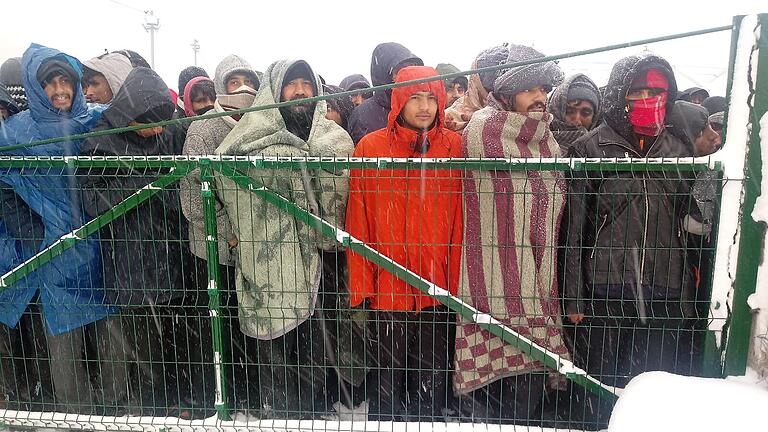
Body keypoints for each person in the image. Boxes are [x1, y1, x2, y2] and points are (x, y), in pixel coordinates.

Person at [216, 59, 353, 417]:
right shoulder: (248, 137)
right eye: (291, 84)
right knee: (275, 347)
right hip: (269, 263)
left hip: (325, 259)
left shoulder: (334, 139)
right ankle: (279, 411)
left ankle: (309, 410)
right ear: (274, 90)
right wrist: (233, 236)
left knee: (316, 345)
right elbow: (220, 182)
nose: (300, 91)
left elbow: (348, 192)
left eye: (306, 84)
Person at [564, 53, 697, 421]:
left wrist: (686, 295)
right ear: (619, 94)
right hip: (607, 290)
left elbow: (688, 224)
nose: (647, 100)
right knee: (599, 389)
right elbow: (574, 231)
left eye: (657, 91)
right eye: (636, 91)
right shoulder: (591, 148)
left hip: (664, 291)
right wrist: (573, 297)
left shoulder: (680, 149)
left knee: (652, 392)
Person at [453, 44, 569, 423]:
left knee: (528, 391)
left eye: (543, 88)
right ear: (506, 94)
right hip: (494, 275)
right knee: (508, 395)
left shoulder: (548, 138)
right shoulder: (484, 129)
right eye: (529, 89)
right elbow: (484, 199)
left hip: (541, 271)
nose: (540, 97)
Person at [78, 66, 202, 418]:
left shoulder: (169, 133)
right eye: (151, 121)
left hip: (175, 259)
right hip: (132, 265)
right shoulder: (101, 142)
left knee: (178, 343)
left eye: (165, 120)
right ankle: (152, 411)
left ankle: (181, 404)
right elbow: (92, 202)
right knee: (142, 350)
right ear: (131, 112)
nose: (158, 129)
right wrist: (143, 180)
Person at [0, 43, 113, 414]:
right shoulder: (16, 133)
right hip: (53, 253)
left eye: (66, 80)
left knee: (116, 344)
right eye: (50, 83)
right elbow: (3, 187)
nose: (60, 89)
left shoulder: (99, 118)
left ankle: (117, 413)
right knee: (63, 347)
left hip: (103, 250)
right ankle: (74, 417)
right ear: (36, 88)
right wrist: (32, 231)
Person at [346, 65, 462, 420]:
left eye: (431, 97)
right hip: (388, 288)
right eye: (415, 97)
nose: (424, 106)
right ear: (398, 100)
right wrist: (362, 284)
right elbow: (358, 220)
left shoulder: (453, 147)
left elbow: (460, 219)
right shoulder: (371, 147)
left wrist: (455, 285)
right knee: (386, 382)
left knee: (430, 382)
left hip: (436, 287)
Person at [179, 54, 260, 409]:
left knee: (252, 326)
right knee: (219, 326)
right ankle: (218, 394)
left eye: (248, 80)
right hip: (215, 251)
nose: (242, 88)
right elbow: (194, 197)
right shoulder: (204, 129)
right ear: (220, 86)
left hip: (257, 251)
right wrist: (231, 232)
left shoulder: (263, 123)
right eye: (233, 81)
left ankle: (250, 393)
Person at [347, 42, 422, 143]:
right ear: (384, 75)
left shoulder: (423, 104)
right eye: (401, 71)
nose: (408, 76)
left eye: (413, 69)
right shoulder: (363, 115)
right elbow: (366, 154)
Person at [445, 44, 509, 132]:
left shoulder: (514, 111)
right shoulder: (450, 117)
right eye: (488, 83)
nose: (493, 92)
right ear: (475, 84)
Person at [547, 73, 602, 153]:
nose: (577, 120)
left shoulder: (605, 151)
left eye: (586, 113)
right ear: (556, 112)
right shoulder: (535, 141)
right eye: (569, 112)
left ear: (595, 117)